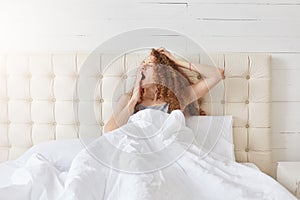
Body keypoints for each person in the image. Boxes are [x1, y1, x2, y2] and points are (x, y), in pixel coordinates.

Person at [103, 47, 224, 133]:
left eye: (149, 65)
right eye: (142, 64)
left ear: (162, 72)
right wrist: (133, 101)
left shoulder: (179, 97)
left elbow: (217, 74)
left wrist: (177, 62)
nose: (142, 68)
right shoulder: (128, 99)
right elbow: (108, 131)